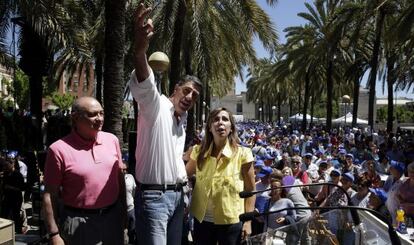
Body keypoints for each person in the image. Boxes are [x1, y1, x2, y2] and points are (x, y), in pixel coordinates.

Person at [130, 4, 203, 245]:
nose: (190, 97)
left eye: (195, 96)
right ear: (175, 89)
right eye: (187, 91)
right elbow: (145, 81)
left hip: (178, 197)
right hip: (153, 198)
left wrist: (184, 161)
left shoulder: (181, 122)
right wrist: (141, 50)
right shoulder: (156, 107)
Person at [42, 97, 126, 245]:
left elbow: (119, 178)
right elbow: (50, 195)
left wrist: (123, 213)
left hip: (112, 220)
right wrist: (54, 234)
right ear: (75, 118)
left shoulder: (112, 140)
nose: (99, 119)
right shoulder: (58, 150)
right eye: (93, 114)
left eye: (101, 113)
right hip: (78, 225)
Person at [186, 107, 255, 245]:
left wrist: (248, 222)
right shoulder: (198, 152)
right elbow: (183, 175)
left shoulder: (243, 154)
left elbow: (250, 190)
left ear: (231, 127)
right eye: (216, 119)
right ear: (210, 127)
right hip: (202, 221)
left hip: (231, 222)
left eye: (225, 119)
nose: (220, 123)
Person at [0, 156, 25, 234]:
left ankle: (19, 231)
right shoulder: (6, 174)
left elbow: (22, 188)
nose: (5, 167)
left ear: (12, 164)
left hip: (16, 199)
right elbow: (4, 185)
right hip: (7, 198)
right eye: (5, 166)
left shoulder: (18, 175)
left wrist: (10, 187)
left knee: (16, 215)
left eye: (7, 165)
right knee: (4, 214)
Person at [122, 160, 136, 244]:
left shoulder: (130, 177)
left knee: (132, 230)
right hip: (120, 210)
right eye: (122, 169)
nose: (124, 171)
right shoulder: (115, 179)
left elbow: (134, 190)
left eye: (126, 169)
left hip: (131, 208)